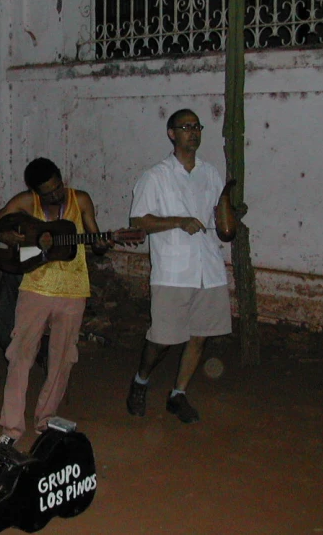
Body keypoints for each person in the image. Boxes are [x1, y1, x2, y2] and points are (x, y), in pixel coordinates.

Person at [0, 157, 111, 451]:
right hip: (35, 287)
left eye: (57, 187)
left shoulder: (81, 200)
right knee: (20, 356)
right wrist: (4, 235)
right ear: (35, 191)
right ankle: (11, 428)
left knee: (63, 359)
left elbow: (94, 235)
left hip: (74, 289)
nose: (55, 195)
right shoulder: (26, 202)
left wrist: (101, 244)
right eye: (47, 192)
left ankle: (45, 419)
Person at [125, 109, 235, 424]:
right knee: (162, 338)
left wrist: (229, 216)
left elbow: (219, 214)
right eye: (185, 127)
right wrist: (178, 221)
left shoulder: (211, 173)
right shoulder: (155, 176)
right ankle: (141, 380)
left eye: (196, 126)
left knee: (201, 335)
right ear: (172, 134)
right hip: (173, 270)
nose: (192, 132)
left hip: (208, 267)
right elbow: (138, 221)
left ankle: (178, 394)